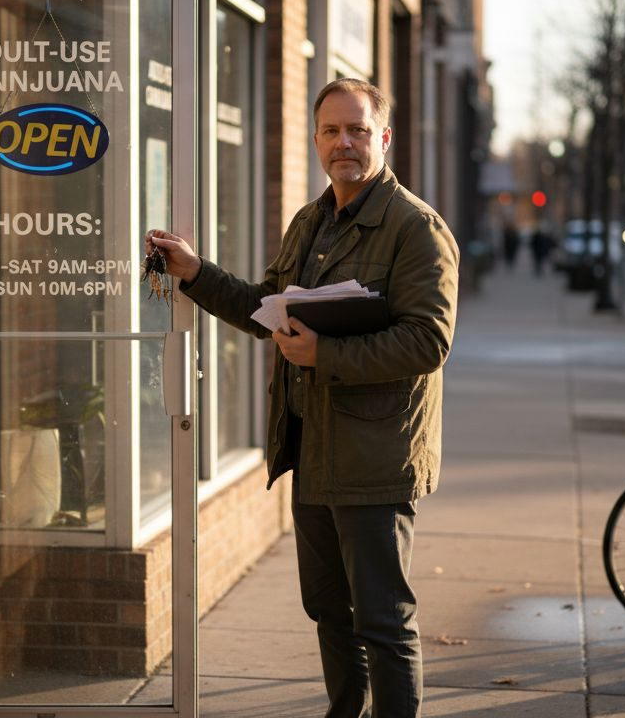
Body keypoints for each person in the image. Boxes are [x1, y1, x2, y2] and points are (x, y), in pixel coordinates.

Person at [145, 77, 459, 718]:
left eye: (358, 130)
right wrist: (196, 273)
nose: (343, 143)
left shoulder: (414, 229)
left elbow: (429, 341)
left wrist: (328, 355)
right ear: (316, 139)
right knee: (328, 610)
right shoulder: (310, 221)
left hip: (375, 459)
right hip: (312, 448)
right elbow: (268, 307)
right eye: (331, 131)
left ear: (384, 139)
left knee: (382, 620)